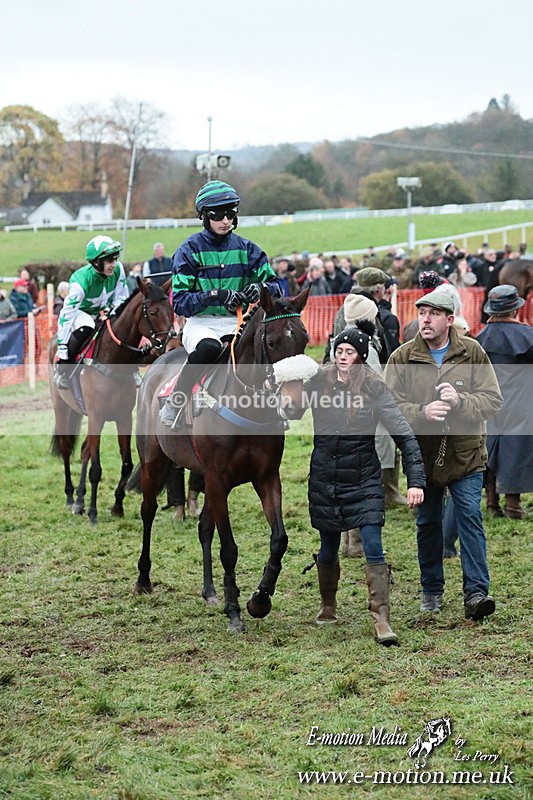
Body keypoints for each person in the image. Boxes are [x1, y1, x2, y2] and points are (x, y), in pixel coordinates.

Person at [385, 288, 503, 621]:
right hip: (422, 458)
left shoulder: (472, 352)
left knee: (470, 518)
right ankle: (431, 590)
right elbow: (388, 408)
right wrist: (421, 412)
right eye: (422, 313)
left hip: (466, 455)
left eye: (434, 314)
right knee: (428, 523)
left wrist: (460, 401)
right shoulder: (402, 358)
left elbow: (493, 400)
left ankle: (476, 593)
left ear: (450, 320)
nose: (425, 320)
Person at [305, 326, 425, 645]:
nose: (343, 357)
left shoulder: (373, 387)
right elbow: (291, 410)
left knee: (372, 543)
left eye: (350, 352)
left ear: (360, 356)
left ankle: (381, 618)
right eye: (339, 351)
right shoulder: (318, 381)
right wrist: (287, 384)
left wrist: (415, 481)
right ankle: (328, 606)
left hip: (364, 479)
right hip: (325, 479)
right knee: (328, 547)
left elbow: (404, 436)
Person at [160, 180, 282, 429]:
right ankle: (176, 401)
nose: (225, 220)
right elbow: (180, 303)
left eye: (231, 213)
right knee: (209, 348)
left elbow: (276, 286)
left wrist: (260, 288)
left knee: (266, 347)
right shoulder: (188, 251)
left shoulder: (249, 250)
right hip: (201, 324)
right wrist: (214, 295)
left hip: (238, 322)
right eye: (218, 215)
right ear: (204, 216)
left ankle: (277, 407)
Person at [476, 285, 533, 520]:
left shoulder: (479, 338)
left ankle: (491, 502)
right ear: (515, 309)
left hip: (488, 402)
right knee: (515, 450)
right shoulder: (528, 336)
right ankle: (513, 505)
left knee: (488, 448)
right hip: (521, 403)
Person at [54, 236, 129, 389]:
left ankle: (131, 369)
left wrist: (113, 311)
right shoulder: (80, 282)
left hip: (104, 310)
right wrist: (62, 346)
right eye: (109, 261)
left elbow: (122, 297)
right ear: (97, 262)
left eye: (115, 259)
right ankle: (63, 369)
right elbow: (66, 315)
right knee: (87, 325)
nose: (113, 264)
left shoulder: (118, 269)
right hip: (80, 313)